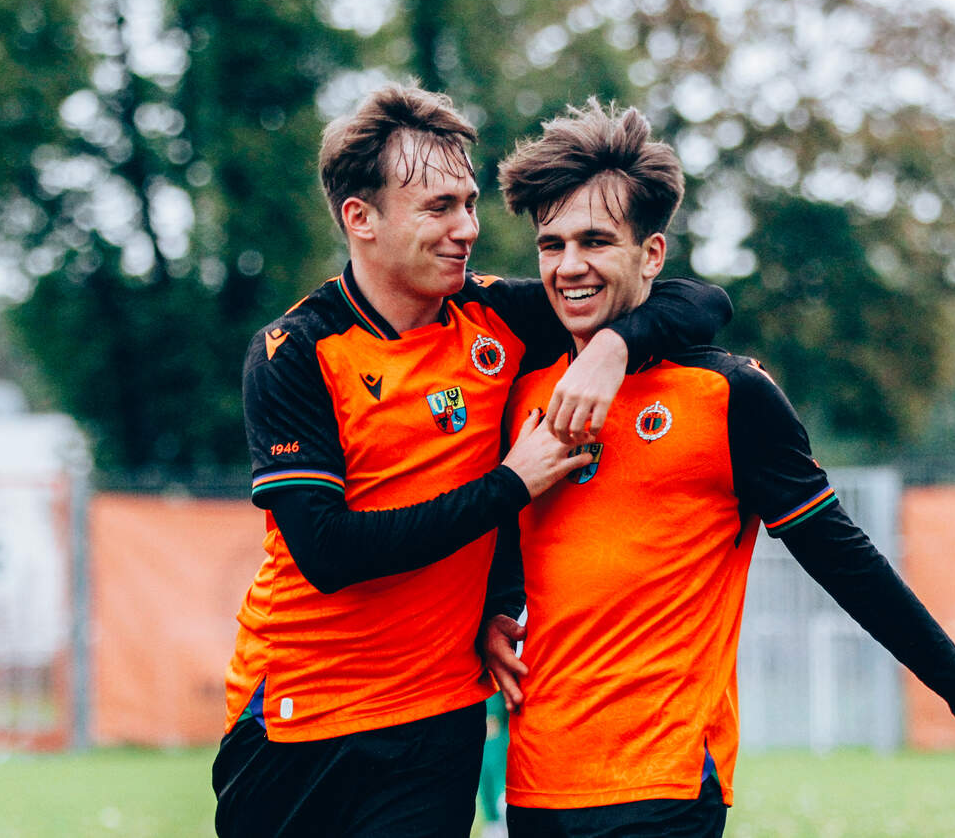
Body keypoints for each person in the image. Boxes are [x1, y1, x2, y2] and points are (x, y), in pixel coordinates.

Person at [480, 100, 955, 837]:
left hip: (666, 781)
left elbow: (846, 561)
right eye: (551, 245)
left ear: (651, 255)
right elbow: (511, 533)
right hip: (537, 783)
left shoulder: (732, 395)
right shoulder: (522, 391)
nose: (569, 265)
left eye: (596, 241)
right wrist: (497, 604)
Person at [210, 83, 732, 838]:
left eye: (469, 203)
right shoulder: (294, 352)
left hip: (437, 721)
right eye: (438, 208)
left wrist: (613, 348)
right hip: (299, 717)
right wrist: (511, 483)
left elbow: (698, 302)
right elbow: (329, 552)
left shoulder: (494, 316)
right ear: (360, 218)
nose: (467, 229)